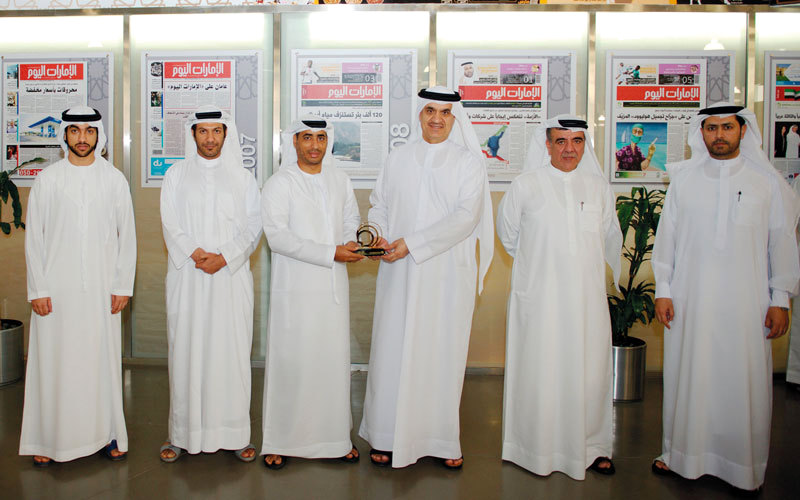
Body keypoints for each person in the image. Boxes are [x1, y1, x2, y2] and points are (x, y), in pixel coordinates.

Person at [652, 103, 800, 493]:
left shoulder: (765, 182)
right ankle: (682, 457)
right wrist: (663, 290)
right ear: (701, 133)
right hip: (691, 300)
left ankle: (742, 467)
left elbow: (782, 243)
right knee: (690, 377)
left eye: (727, 127)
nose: (719, 135)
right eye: (711, 128)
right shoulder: (684, 180)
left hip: (747, 302)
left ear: (742, 131)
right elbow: (667, 240)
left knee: (742, 382)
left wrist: (780, 298)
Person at [359, 87, 494, 469]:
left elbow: (465, 217)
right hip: (398, 274)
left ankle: (440, 440)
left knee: (440, 354)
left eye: (445, 112)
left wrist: (412, 243)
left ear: (454, 118)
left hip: (445, 276)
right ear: (420, 114)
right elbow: (380, 204)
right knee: (393, 351)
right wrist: (382, 235)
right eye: (430, 110)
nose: (437, 118)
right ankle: (386, 436)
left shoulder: (468, 164)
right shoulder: (398, 158)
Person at [496, 116, 622, 480]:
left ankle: (592, 448)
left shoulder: (598, 187)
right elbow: (508, 236)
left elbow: (608, 236)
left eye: (577, 141)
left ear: (585, 145)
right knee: (540, 370)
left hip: (586, 302)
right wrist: (543, 266)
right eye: (561, 141)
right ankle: (532, 448)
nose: (569, 149)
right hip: (540, 299)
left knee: (590, 373)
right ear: (548, 145)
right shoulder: (525, 185)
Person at [20, 106, 136, 467]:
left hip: (102, 290)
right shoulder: (48, 179)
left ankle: (106, 434)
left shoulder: (114, 179)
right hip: (56, 292)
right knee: (54, 364)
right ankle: (48, 439)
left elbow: (128, 237)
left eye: (88, 131)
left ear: (98, 135)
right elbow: (34, 239)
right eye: (75, 131)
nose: (82, 138)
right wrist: (37, 289)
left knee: (100, 364)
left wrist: (122, 285)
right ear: (65, 135)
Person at [159, 105, 262, 463]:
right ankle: (181, 434)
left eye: (216, 131)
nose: (210, 138)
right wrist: (194, 252)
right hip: (187, 276)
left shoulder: (243, 179)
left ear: (225, 134)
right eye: (203, 131)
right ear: (193, 134)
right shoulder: (175, 175)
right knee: (185, 352)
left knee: (231, 353)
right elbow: (169, 221)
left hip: (230, 279)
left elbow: (254, 226)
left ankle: (235, 435)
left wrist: (225, 257)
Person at [259, 117, 362, 470]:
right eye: (307, 138)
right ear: (295, 142)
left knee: (331, 363)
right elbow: (278, 237)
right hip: (295, 291)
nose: (314, 145)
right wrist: (331, 252)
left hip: (332, 290)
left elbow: (350, 219)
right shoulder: (279, 183)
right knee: (292, 363)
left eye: (320, 138)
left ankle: (335, 439)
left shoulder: (340, 179)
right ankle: (281, 440)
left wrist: (350, 242)